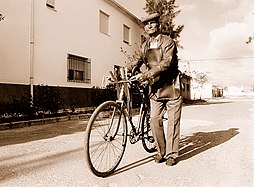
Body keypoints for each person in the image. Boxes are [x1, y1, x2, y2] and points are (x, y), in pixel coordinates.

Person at [127, 13, 183, 166]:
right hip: (155, 88)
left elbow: (166, 63)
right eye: (146, 24)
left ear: (158, 25)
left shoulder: (168, 42)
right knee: (154, 120)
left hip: (171, 87)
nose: (149, 26)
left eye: (152, 23)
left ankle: (172, 154)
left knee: (173, 122)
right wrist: (128, 69)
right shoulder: (144, 45)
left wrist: (146, 75)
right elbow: (136, 60)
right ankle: (162, 151)